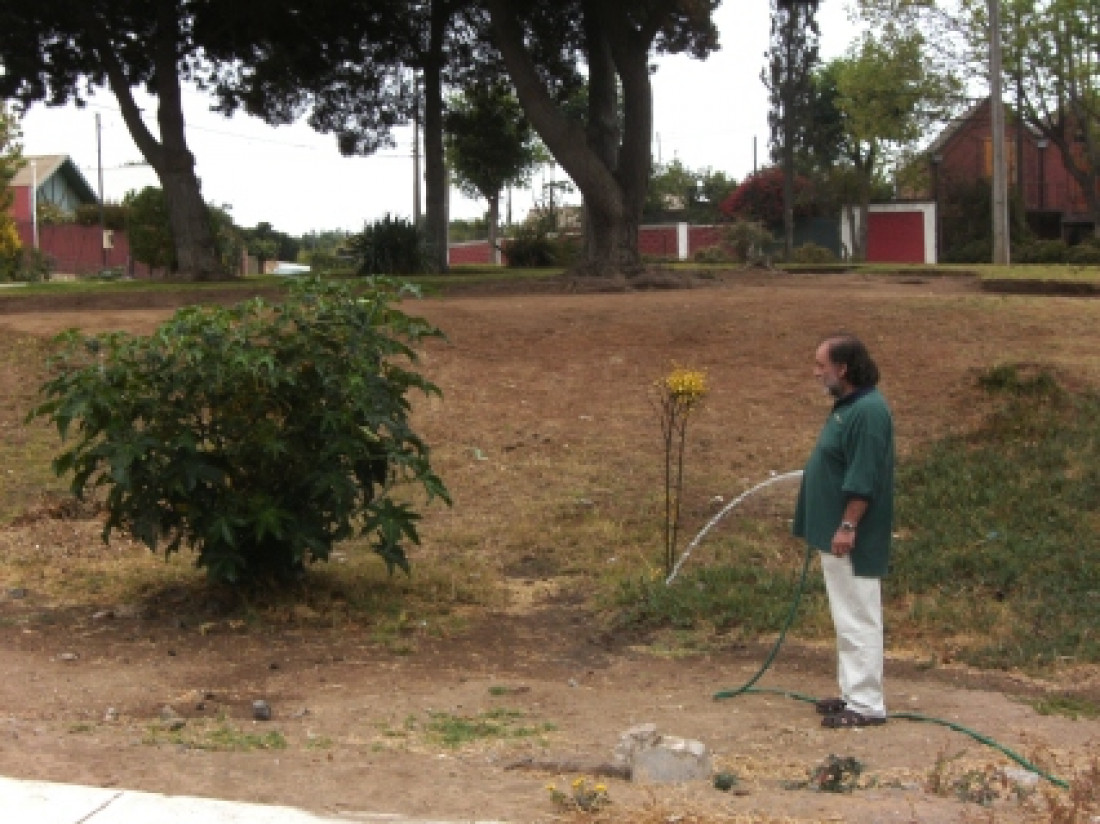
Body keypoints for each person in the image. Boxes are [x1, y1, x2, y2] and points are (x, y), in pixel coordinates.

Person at [792, 334, 895, 728]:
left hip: (852, 536)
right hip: (835, 533)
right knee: (845, 613)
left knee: (858, 614)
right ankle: (852, 692)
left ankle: (867, 704)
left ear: (843, 368)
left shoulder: (868, 413)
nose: (816, 373)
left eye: (821, 366)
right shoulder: (848, 407)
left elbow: (863, 477)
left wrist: (848, 525)